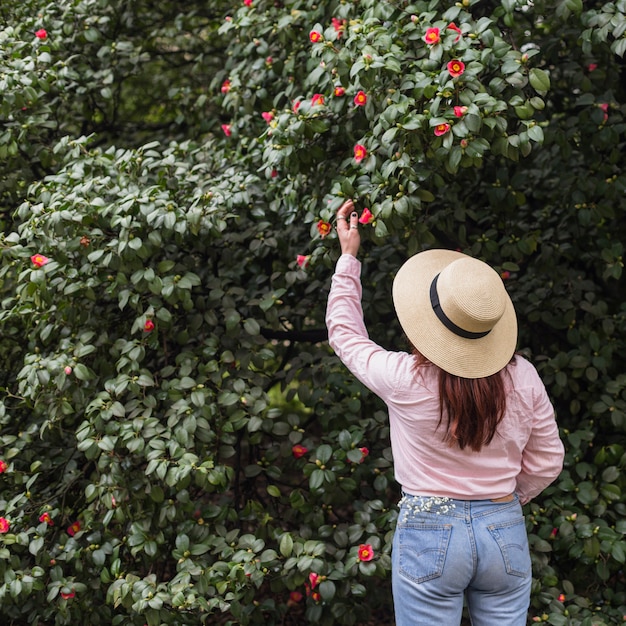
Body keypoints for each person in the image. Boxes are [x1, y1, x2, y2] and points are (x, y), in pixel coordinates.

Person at [325, 199, 565, 626]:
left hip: (428, 528)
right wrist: (504, 499)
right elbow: (548, 460)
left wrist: (348, 258)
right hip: (503, 527)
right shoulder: (523, 376)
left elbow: (345, 336)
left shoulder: (405, 378)